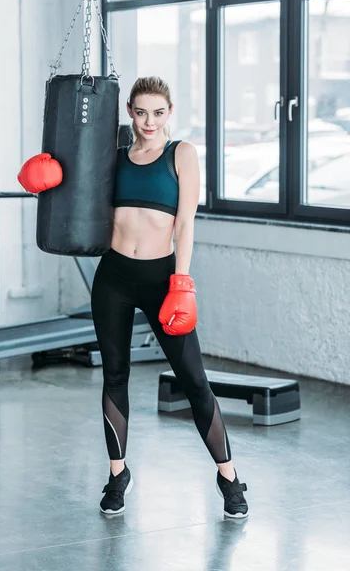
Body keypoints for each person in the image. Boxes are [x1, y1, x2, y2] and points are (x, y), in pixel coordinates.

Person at [90, 76, 248, 518]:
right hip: (114, 276)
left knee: (194, 380)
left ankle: (229, 478)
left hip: (163, 278)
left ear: (169, 112)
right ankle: (117, 474)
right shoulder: (116, 157)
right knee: (115, 375)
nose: (149, 122)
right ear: (129, 112)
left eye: (158, 113)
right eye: (141, 112)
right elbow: (82, 197)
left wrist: (181, 281)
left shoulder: (181, 154)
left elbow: (185, 224)